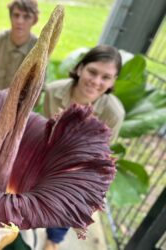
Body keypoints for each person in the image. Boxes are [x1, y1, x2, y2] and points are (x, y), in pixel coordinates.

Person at [43, 45, 125, 250]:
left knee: (76, 195)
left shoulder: (113, 113)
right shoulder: (53, 91)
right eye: (92, 72)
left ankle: (53, 239)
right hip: (50, 153)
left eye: (106, 77)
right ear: (80, 68)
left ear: (113, 81)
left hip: (83, 167)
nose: (96, 82)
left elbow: (101, 158)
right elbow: (44, 131)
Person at [0, 0, 39, 91]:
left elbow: (37, 89)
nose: (20, 21)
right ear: (10, 17)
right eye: (16, 15)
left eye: (26, 17)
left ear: (34, 20)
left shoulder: (38, 49)